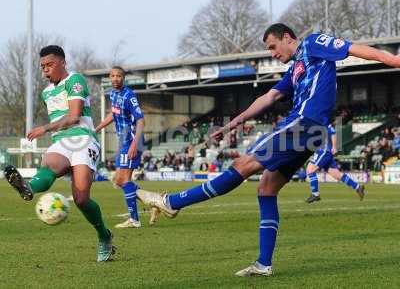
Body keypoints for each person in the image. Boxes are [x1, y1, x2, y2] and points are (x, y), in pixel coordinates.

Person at [136, 23, 400, 276]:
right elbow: (269, 97)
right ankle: (264, 264)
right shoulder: (296, 68)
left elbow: (356, 49)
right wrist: (235, 122)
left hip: (303, 124)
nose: (273, 54)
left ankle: (172, 202)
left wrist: (394, 61)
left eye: (274, 47)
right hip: (310, 131)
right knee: (266, 188)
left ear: (287, 37)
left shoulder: (312, 43)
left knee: (242, 166)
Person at [3, 45, 114, 262]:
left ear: (62, 62)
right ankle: (28, 187)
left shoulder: (75, 80)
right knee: (50, 164)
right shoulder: (46, 92)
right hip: (60, 142)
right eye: (42, 66)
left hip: (83, 139)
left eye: (49, 65)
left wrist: (43, 128)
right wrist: (51, 132)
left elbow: (73, 116)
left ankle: (104, 236)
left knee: (82, 199)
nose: (45, 70)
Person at [95, 66, 153, 228]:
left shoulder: (129, 96)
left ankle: (134, 220)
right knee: (120, 181)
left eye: (119, 76)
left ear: (123, 78)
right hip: (124, 140)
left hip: (133, 139)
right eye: (112, 76)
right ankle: (156, 202)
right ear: (109, 77)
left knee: (122, 180)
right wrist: (96, 129)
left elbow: (141, 120)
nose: (115, 79)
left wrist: (134, 144)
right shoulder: (113, 94)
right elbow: (113, 114)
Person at [305, 123, 364, 203]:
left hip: (324, 151)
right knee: (336, 174)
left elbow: (332, 131)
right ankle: (357, 187)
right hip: (321, 151)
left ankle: (315, 194)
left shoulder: (321, 122)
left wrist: (334, 146)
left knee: (310, 170)